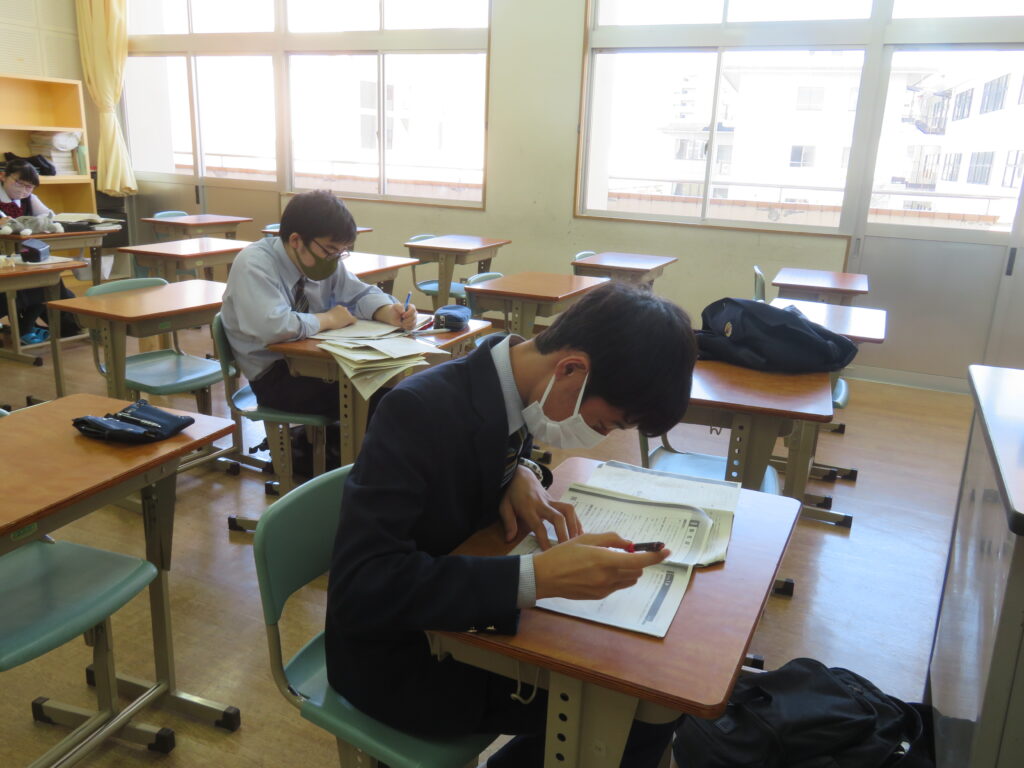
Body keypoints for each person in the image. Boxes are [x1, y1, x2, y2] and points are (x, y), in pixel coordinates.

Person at [326, 281, 699, 767]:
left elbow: (478, 456)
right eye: (604, 424)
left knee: (654, 687)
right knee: (639, 706)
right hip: (403, 657)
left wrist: (521, 471)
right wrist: (535, 577)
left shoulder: (514, 387)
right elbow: (363, 585)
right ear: (571, 369)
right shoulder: (416, 410)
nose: (597, 436)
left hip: (461, 619)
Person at [220, 190, 416, 418]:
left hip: (316, 362)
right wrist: (328, 319)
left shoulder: (324, 260)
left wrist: (387, 311)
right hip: (275, 376)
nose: (335, 259)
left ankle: (335, 441)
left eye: (341, 252)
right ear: (296, 240)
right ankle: (342, 441)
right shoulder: (254, 264)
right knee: (388, 401)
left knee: (401, 387)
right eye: (330, 250)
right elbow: (273, 327)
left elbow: (358, 294)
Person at [0, 158, 79, 344]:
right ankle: (25, 328)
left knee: (47, 276)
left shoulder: (29, 198)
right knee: (33, 281)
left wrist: (42, 222)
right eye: (19, 183)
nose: (23, 190)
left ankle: (27, 327)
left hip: (21, 255)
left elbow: (49, 216)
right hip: (4, 259)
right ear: (3, 176)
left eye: (29, 187)